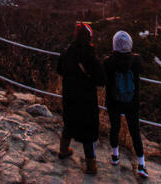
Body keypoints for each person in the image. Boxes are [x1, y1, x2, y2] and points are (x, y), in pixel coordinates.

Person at [56, 22, 107, 175]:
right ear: (89, 38)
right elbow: (101, 79)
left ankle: (63, 150)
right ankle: (90, 165)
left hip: (69, 96)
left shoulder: (67, 52)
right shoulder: (90, 57)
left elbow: (59, 69)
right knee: (88, 130)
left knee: (69, 122)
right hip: (86, 99)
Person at [103, 30, 148, 178]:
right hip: (132, 102)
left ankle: (115, 156)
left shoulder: (108, 61)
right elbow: (142, 69)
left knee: (115, 127)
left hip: (113, 101)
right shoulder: (136, 60)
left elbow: (103, 78)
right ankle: (141, 165)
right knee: (135, 131)